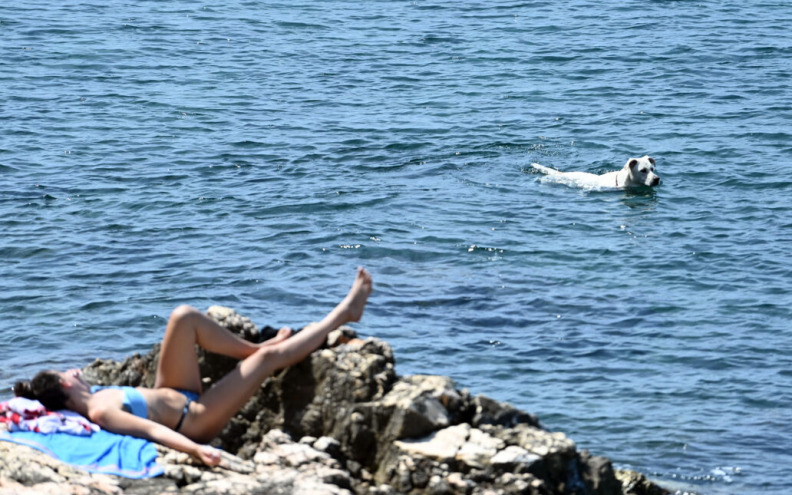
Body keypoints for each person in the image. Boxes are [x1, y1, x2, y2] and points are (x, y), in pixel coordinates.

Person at [13, 267, 373, 466]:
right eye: (67, 375)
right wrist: (197, 450)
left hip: (174, 390)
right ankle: (344, 313)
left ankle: (254, 347)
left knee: (183, 317)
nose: (74, 372)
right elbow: (154, 432)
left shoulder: (95, 398)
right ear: (65, 387)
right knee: (266, 363)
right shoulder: (101, 411)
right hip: (194, 419)